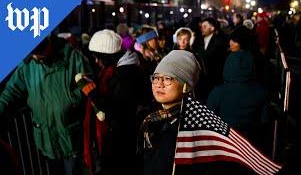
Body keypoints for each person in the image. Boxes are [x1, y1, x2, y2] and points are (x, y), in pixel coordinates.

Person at [138, 50, 281, 175]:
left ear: (186, 85)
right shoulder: (150, 118)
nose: (159, 83)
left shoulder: (192, 125)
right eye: (156, 77)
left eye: (168, 78)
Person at [0, 35, 92, 174]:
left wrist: (71, 100)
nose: (36, 57)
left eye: (40, 52)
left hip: (71, 137)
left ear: (49, 43)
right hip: (47, 140)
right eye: (34, 53)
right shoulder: (28, 64)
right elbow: (11, 91)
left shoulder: (73, 57)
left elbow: (89, 86)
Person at [81, 29, 144, 175]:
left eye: (98, 57)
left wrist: (91, 92)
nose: (96, 61)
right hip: (117, 137)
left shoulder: (126, 74)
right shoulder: (117, 70)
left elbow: (116, 109)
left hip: (122, 141)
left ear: (107, 56)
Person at [207, 25, 270, 152]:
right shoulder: (260, 91)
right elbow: (264, 120)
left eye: (235, 40)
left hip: (224, 144)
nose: (230, 43)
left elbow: (209, 119)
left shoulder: (218, 92)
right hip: (251, 145)